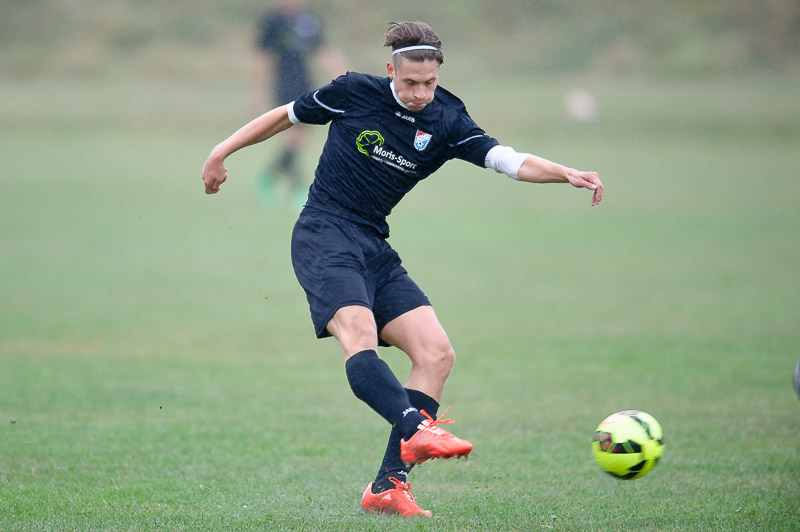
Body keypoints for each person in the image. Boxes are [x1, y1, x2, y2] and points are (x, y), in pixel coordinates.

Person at [202, 20, 603, 518]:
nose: (419, 93)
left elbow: (507, 160)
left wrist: (565, 173)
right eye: (410, 82)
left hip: (373, 243)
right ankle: (416, 427)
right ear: (391, 71)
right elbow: (284, 117)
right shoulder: (353, 91)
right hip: (324, 233)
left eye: (429, 83)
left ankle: (389, 486)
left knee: (436, 353)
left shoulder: (448, 119)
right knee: (359, 333)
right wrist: (221, 151)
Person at [250, 0, 346, 208]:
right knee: (293, 138)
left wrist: (345, 80)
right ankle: (298, 188)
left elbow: (323, 53)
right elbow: (263, 58)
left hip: (305, 84)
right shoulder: (274, 22)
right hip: (284, 85)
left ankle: (270, 176)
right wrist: (257, 92)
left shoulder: (309, 21)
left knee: (298, 140)